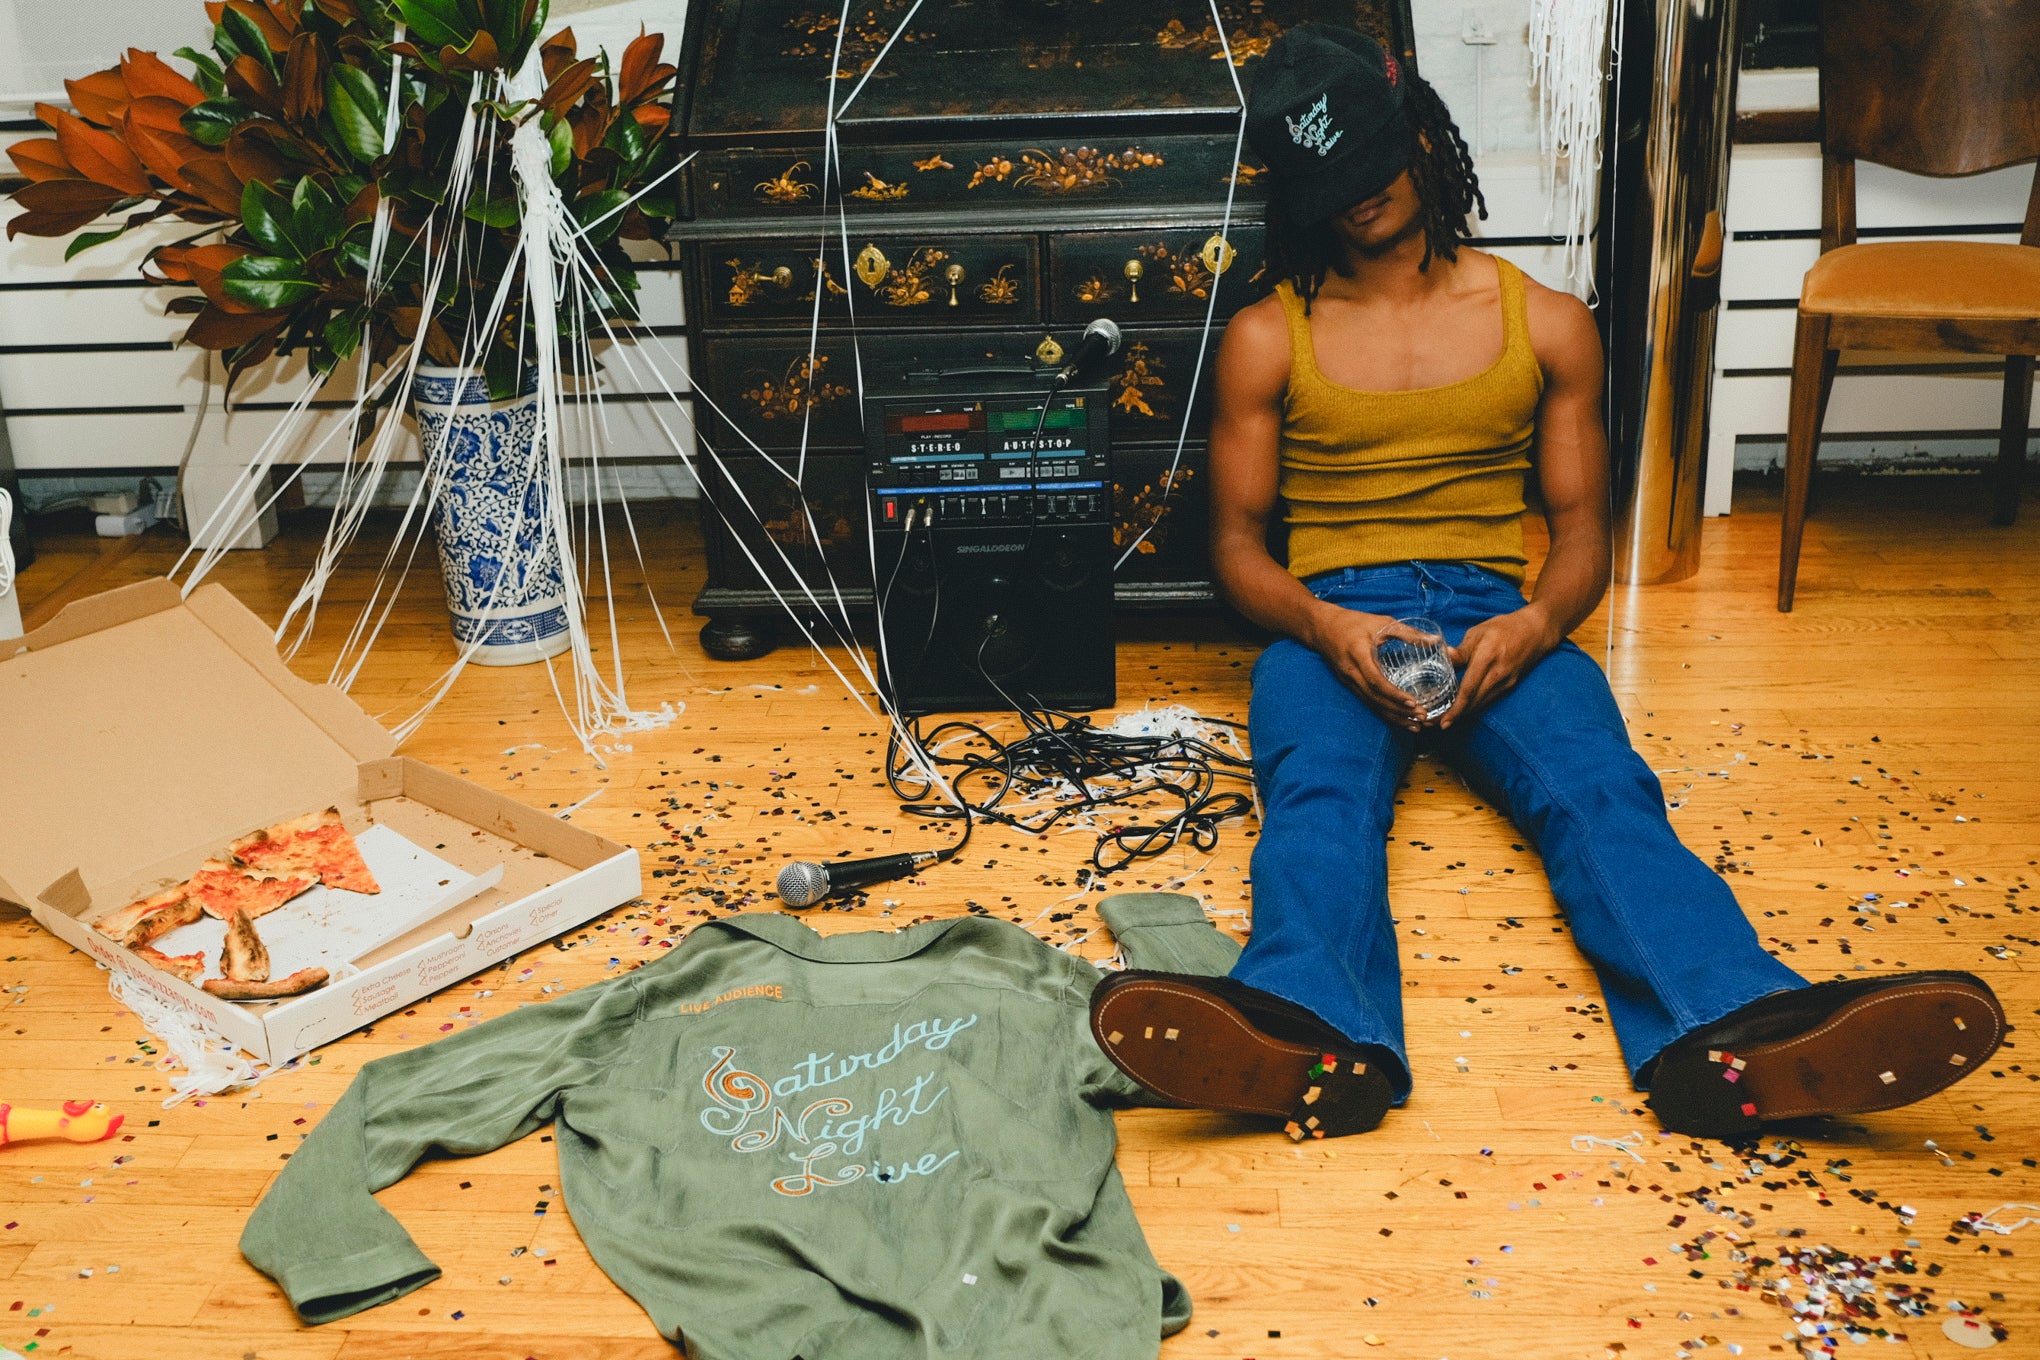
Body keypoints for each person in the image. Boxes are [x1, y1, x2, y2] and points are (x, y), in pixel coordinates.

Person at [1088, 23, 2003, 1142]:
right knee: (1316, 801)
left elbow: (1580, 537)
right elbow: (1233, 550)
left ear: (1425, 139)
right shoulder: (1267, 338)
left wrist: (1533, 625)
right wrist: (1327, 628)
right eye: (1336, 181)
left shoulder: (1549, 323)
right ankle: (1312, 1038)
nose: (1365, 196)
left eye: (1379, 163)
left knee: (1602, 793)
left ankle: (1731, 1032)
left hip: (1494, 610)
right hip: (1331, 614)